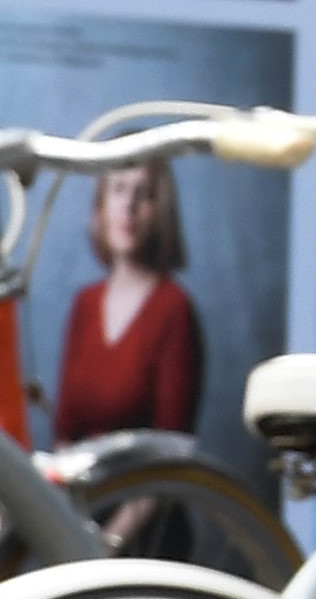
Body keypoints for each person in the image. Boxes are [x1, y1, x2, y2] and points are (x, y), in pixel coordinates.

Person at [53, 160, 203, 446]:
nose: (128, 206)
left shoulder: (174, 308)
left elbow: (172, 446)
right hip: (78, 486)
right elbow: (64, 431)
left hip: (143, 487)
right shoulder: (85, 303)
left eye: (144, 194)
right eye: (119, 189)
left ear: (161, 210)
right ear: (102, 205)